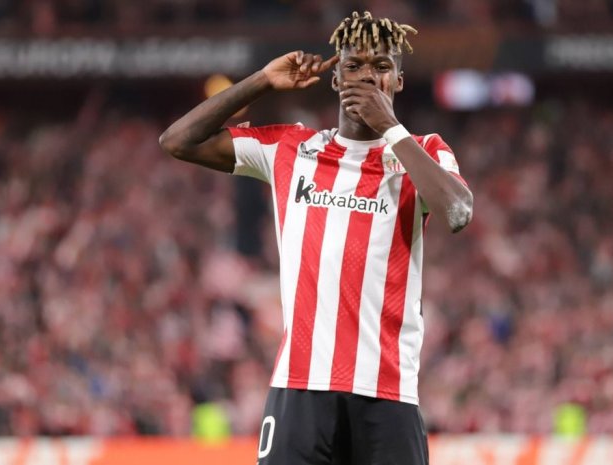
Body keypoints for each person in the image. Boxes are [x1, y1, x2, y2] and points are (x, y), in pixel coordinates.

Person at [159, 10, 473, 465]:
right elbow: (178, 141)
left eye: (382, 66)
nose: (368, 77)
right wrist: (262, 81)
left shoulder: (422, 153)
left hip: (386, 394)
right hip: (299, 391)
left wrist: (390, 128)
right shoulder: (291, 149)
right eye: (354, 66)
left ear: (398, 81)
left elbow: (458, 212)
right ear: (335, 78)